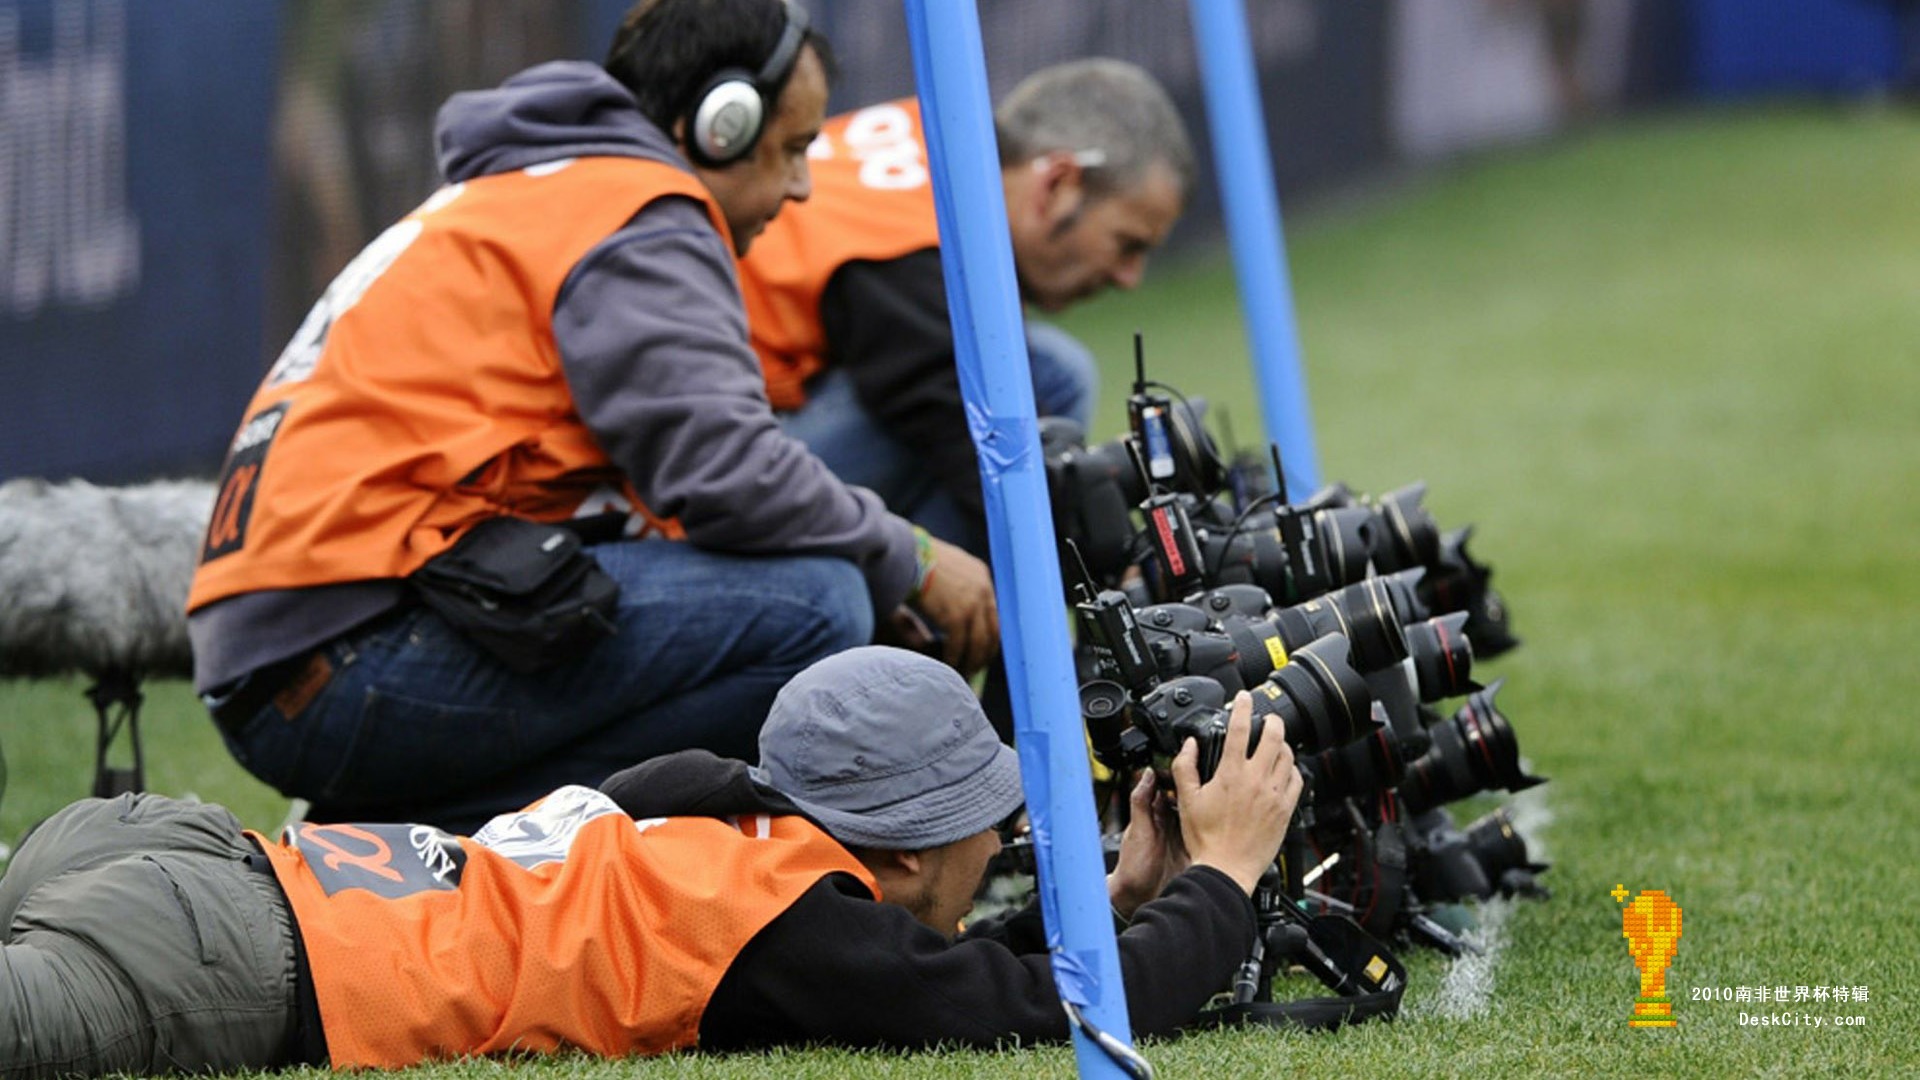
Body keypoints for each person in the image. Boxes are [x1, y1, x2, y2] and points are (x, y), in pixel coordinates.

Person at [184, 0, 998, 834]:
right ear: (718, 126)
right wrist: (912, 555)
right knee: (815, 605)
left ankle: (391, 834)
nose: (802, 186)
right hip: (342, 652)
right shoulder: (639, 210)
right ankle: (417, 843)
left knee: (812, 589)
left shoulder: (554, 193)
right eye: (791, 149)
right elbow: (725, 471)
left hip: (304, 649)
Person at [0, 646, 1300, 1075]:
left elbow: (893, 965)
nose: (1003, 849)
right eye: (991, 830)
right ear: (905, 853)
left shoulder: (705, 802)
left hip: (176, 850)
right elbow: (1036, 1015)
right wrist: (1221, 882)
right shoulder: (792, 923)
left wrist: (1127, 898)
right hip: (230, 958)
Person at [738, 59, 1194, 557]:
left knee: (1040, 372)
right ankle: (924, 627)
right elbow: (996, 474)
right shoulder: (909, 251)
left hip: (737, 420)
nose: (1129, 279)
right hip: (711, 485)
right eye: (1127, 245)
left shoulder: (934, 137)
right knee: (1030, 381)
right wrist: (1119, 566)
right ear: (1057, 184)